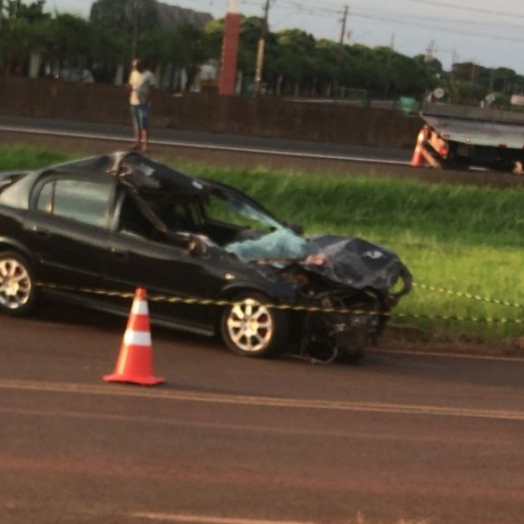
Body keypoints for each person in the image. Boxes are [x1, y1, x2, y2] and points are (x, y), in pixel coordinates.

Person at [127, 58, 156, 152]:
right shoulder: (133, 74)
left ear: (141, 65)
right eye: (134, 67)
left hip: (144, 102)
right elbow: (131, 85)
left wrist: (148, 100)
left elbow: (152, 88)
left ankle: (145, 144)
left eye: (137, 66)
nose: (135, 68)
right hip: (134, 101)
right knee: (136, 123)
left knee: (144, 123)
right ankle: (137, 142)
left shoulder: (149, 75)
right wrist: (129, 88)